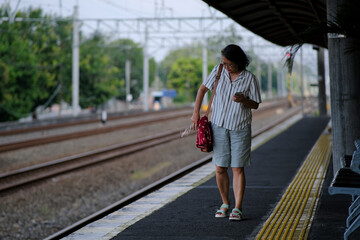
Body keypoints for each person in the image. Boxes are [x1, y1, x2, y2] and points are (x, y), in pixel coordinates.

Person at [191, 44, 261, 221]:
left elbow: (256, 104)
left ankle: (237, 208)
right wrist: (195, 112)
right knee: (220, 167)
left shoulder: (249, 78)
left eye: (230, 64)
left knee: (237, 168)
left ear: (239, 62)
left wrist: (244, 100)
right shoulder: (218, 71)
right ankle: (225, 203)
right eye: (224, 63)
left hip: (240, 127)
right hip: (218, 125)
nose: (226, 67)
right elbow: (202, 90)